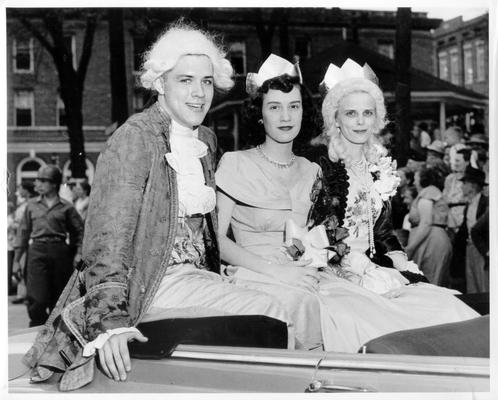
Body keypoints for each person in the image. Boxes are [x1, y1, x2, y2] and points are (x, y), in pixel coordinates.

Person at [23, 21, 291, 392]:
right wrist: (110, 321)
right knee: (272, 310)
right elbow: (107, 242)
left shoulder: (207, 140)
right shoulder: (135, 139)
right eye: (185, 80)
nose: (199, 93)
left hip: (196, 278)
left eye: (207, 81)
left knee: (296, 299)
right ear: (159, 83)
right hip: (149, 285)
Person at [307, 59, 478, 352]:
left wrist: (401, 261)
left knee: (448, 309)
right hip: (336, 273)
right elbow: (321, 228)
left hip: (377, 266)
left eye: (367, 113)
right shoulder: (322, 165)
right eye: (351, 113)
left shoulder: (378, 166)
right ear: (335, 119)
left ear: (376, 118)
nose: (360, 121)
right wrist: (354, 264)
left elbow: (383, 232)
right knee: (377, 327)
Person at [216, 54, 323, 350]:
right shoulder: (236, 163)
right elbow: (216, 240)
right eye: (274, 107)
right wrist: (275, 271)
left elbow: (313, 236)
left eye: (294, 106)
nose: (286, 117)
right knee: (304, 304)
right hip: (254, 275)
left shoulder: (313, 170)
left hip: (302, 273)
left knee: (350, 304)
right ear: (260, 114)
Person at [13, 165, 84, 327]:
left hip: (59, 253)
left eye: (42, 180)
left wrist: (77, 252)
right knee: (37, 299)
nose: (37, 183)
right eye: (37, 180)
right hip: (36, 252)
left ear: (54, 184)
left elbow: (79, 232)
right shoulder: (31, 205)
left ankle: (53, 335)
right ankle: (37, 327)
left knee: (58, 299)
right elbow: (22, 234)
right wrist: (16, 261)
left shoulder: (67, 207)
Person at [405, 166, 451, 286]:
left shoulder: (429, 192)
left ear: (422, 179)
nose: (414, 181)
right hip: (428, 240)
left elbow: (426, 222)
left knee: (430, 282)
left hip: (430, 240)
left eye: (416, 177)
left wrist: (411, 247)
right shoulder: (426, 192)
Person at [453, 167, 489, 293]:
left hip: (481, 248)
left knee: (483, 281)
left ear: (472, 186)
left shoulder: (486, 203)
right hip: (470, 248)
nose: (462, 187)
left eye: (464, 183)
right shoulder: (469, 204)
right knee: (472, 282)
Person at [11, 181, 37, 304]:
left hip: (27, 240)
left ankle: (26, 293)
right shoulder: (24, 204)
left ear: (26, 190)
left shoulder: (30, 204)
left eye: (20, 188)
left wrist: (15, 224)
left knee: (26, 266)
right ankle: (22, 293)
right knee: (21, 265)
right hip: (21, 238)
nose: (18, 191)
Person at [443, 147, 471, 235]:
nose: (455, 164)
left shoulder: (472, 180)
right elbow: (444, 198)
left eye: (458, 161)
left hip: (465, 220)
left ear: (467, 162)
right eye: (455, 160)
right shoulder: (450, 179)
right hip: (449, 220)